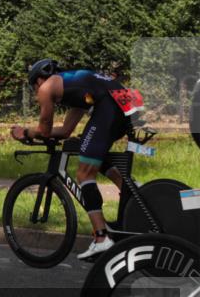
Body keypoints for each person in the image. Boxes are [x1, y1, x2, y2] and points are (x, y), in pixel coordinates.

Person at [10, 59, 140, 260]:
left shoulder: (46, 88)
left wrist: (25, 132)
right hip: (125, 102)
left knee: (84, 173)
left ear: (38, 80)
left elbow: (44, 130)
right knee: (89, 150)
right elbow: (64, 131)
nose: (37, 92)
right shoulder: (74, 88)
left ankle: (101, 238)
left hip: (110, 106)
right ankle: (133, 191)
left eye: (33, 86)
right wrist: (41, 133)